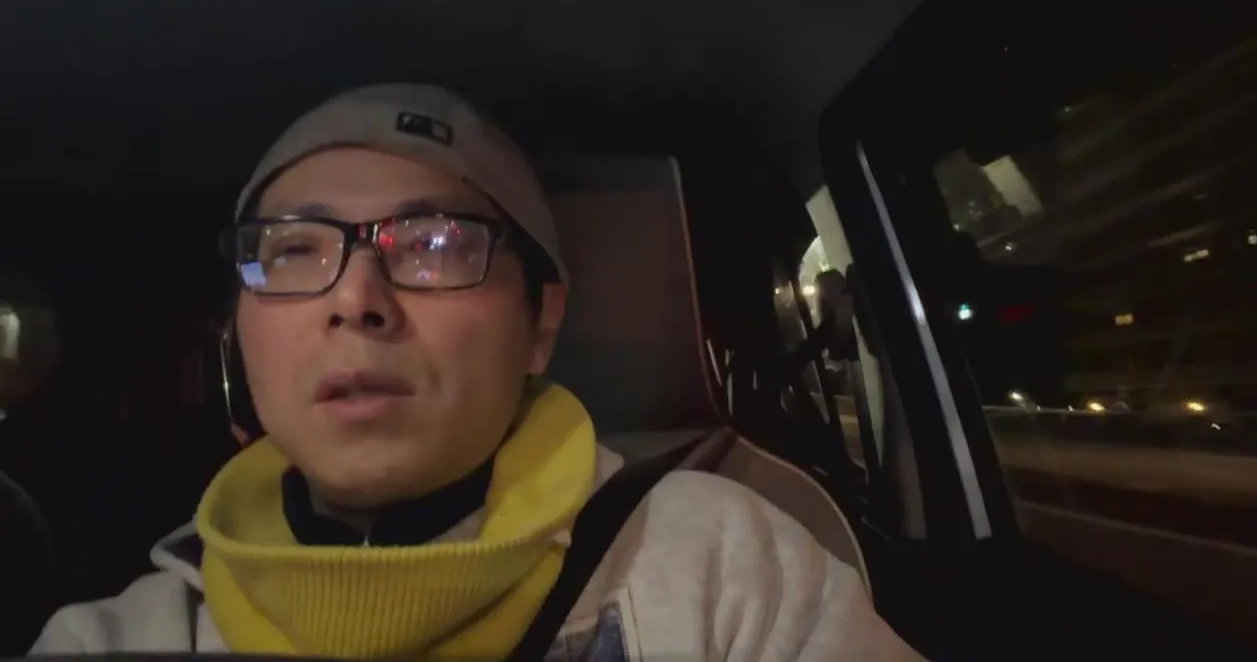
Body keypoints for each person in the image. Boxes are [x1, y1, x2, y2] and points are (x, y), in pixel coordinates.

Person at [29, 83, 924, 661]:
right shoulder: (119, 637)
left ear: (541, 323)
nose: (357, 300)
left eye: (434, 243)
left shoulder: (722, 571)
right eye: (294, 249)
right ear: (240, 330)